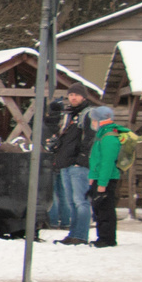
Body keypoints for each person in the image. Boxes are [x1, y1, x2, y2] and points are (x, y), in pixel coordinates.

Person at [49, 88, 93, 242]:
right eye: (71, 95)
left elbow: (90, 138)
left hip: (78, 165)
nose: (73, 98)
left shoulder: (88, 114)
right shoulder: (68, 114)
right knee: (71, 202)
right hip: (65, 163)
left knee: (81, 201)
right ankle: (74, 234)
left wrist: (81, 159)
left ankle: (80, 235)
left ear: (84, 97)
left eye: (77, 95)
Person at [85, 106, 122, 248]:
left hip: (106, 179)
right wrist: (93, 176)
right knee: (99, 208)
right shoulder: (102, 134)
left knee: (105, 209)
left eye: (94, 120)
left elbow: (107, 162)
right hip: (99, 177)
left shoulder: (109, 137)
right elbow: (96, 159)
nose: (92, 123)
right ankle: (102, 236)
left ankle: (107, 239)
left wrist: (102, 183)